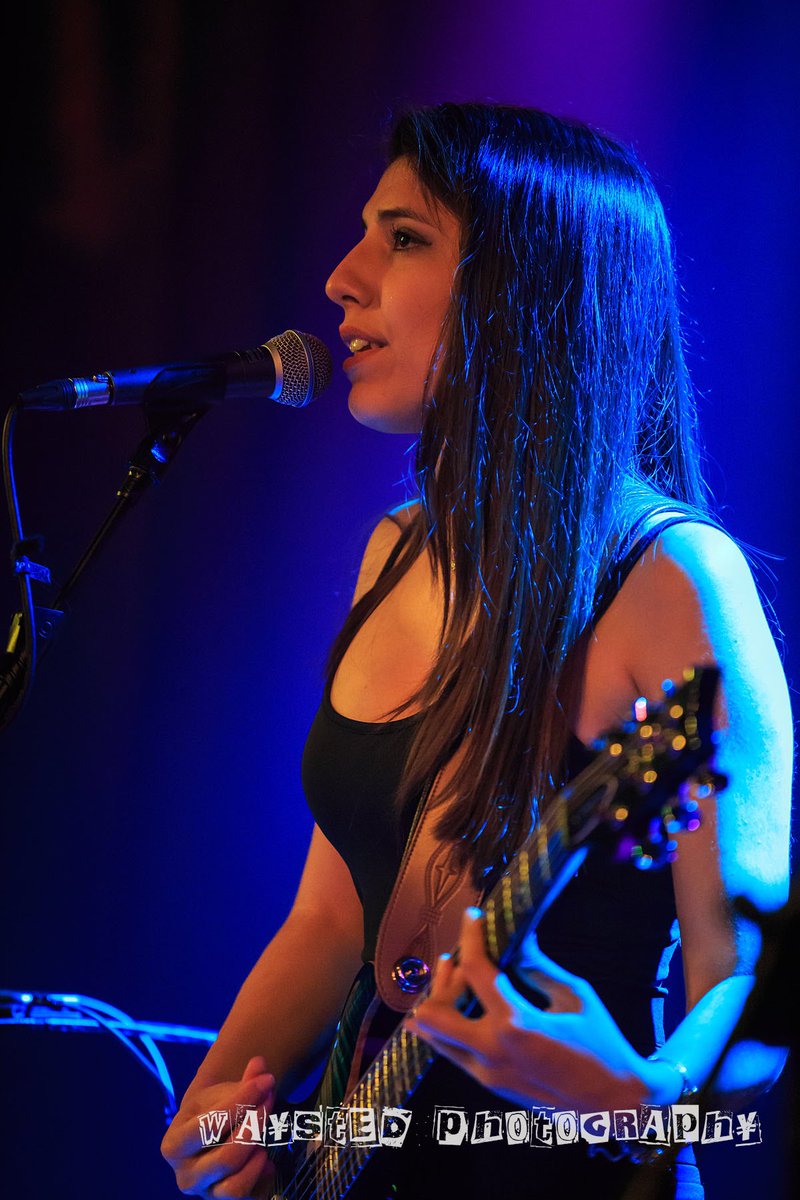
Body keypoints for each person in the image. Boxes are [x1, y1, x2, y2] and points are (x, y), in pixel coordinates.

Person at [161, 104, 791, 1199]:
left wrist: (632, 1097)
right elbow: (334, 916)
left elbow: (743, 980)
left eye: (403, 238)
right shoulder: (391, 555)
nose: (340, 279)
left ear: (525, 292)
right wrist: (217, 1108)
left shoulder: (672, 578)